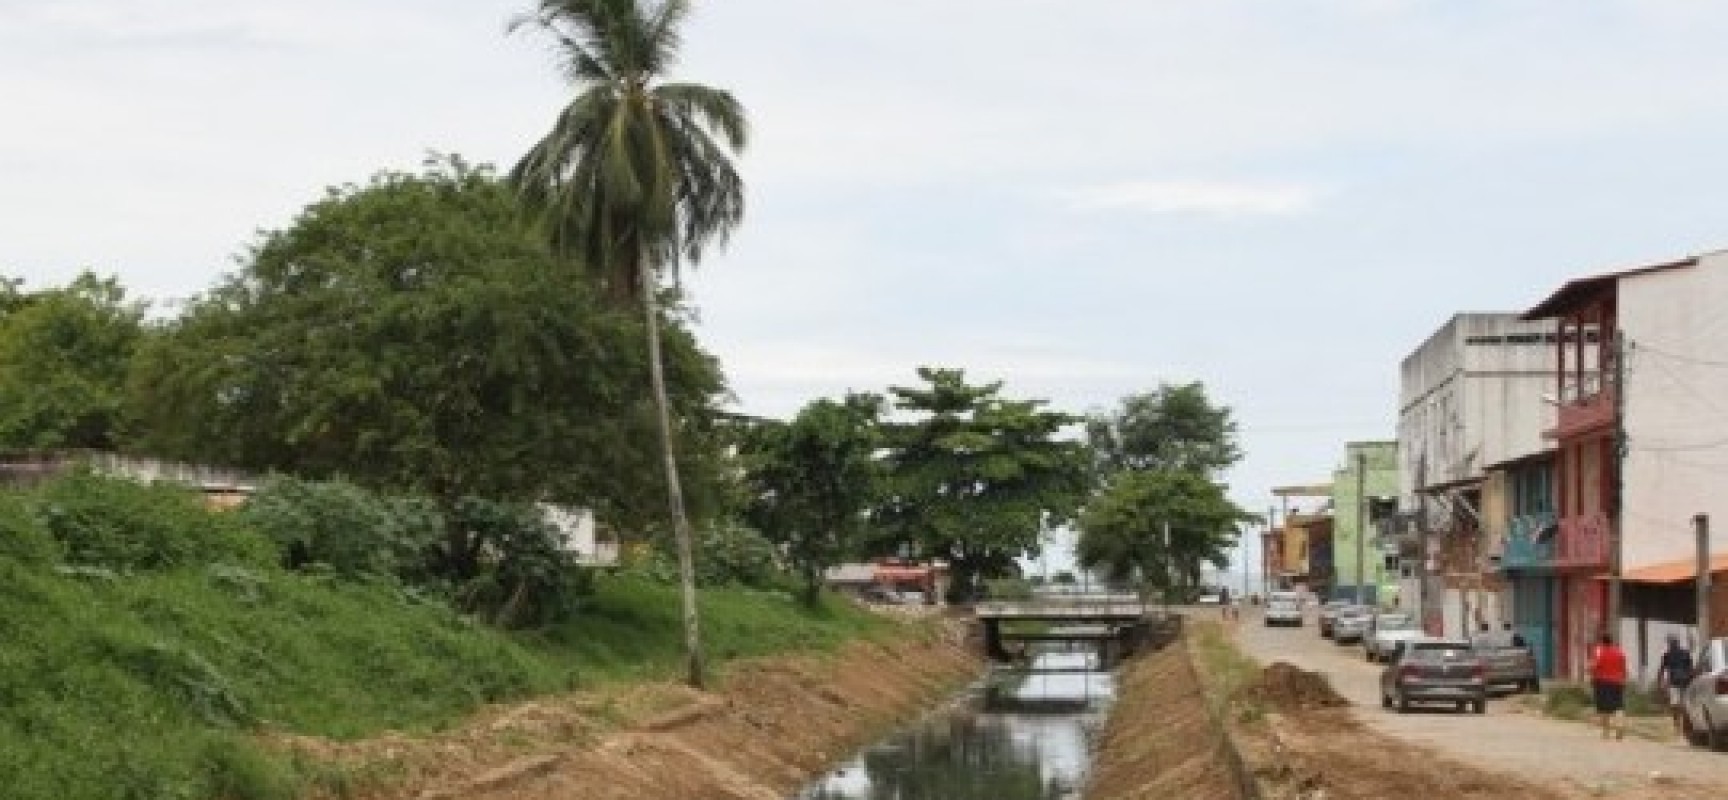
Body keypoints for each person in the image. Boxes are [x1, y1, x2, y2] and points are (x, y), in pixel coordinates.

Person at [1588, 632, 1630, 741]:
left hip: (1602, 682)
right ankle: (1620, 726)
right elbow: (1624, 669)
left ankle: (1606, 732)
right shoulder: (1619, 652)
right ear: (1612, 641)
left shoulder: (1599, 651)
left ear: (1602, 642)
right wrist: (1624, 680)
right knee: (1619, 706)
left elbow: (1594, 665)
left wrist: (1590, 671)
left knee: (1604, 707)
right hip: (1617, 682)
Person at [1657, 634, 1695, 737]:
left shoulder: (1667, 655)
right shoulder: (1686, 653)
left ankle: (1677, 726)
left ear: (1670, 644)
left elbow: (1661, 670)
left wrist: (1659, 682)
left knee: (1675, 705)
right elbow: (1691, 668)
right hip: (1685, 682)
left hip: (1674, 682)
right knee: (1684, 705)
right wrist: (1691, 679)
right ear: (1678, 643)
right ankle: (1684, 726)